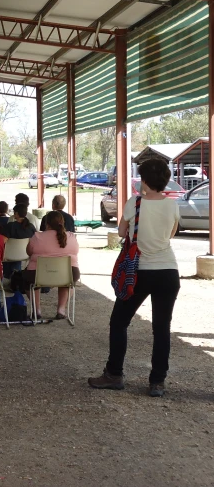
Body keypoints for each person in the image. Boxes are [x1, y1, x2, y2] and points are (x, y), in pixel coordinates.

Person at [88, 158, 180, 397]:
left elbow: (120, 232)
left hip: (138, 272)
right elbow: (171, 234)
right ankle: (157, 382)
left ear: (146, 181)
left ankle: (114, 374)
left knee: (119, 322)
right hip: (168, 271)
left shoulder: (135, 203)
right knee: (161, 328)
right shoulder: (172, 205)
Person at [22, 210, 79, 320]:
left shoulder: (37, 236)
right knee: (66, 282)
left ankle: (37, 310)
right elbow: (76, 252)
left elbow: (28, 252)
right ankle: (61, 310)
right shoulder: (72, 236)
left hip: (38, 274)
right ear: (62, 222)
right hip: (69, 274)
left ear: (46, 223)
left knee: (28, 280)